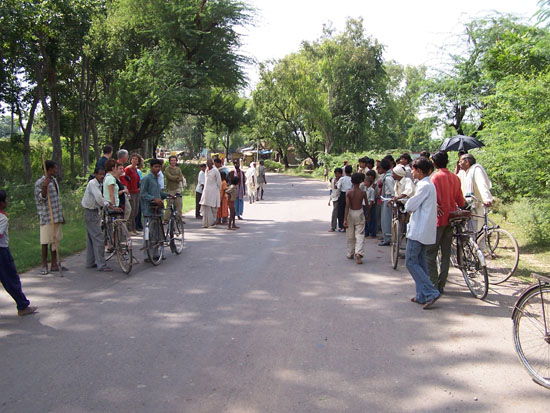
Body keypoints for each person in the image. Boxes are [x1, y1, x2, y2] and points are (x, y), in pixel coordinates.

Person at [426, 151, 465, 293]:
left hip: (438, 219)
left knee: (430, 253)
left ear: (434, 163)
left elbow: (431, 199)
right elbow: (460, 199)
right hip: (452, 217)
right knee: (446, 253)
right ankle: (442, 283)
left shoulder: (434, 178)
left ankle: (434, 283)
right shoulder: (455, 177)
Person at [404, 157, 440, 309]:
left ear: (419, 171)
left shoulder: (424, 185)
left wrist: (405, 204)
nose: (412, 172)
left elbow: (411, 205)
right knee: (421, 263)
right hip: (424, 230)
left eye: (413, 169)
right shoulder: (427, 185)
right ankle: (422, 295)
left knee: (410, 262)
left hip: (419, 230)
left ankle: (431, 292)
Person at [0, 190, 38, 316]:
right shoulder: (3, 218)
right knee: (11, 279)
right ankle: (22, 305)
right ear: (1, 203)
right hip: (2, 252)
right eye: (5, 200)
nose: (7, 202)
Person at [34, 160, 65, 275]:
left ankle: (54, 264)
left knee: (55, 241)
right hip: (46, 216)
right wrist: (44, 187)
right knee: (45, 241)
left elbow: (57, 199)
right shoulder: (40, 182)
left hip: (56, 215)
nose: (56, 170)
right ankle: (44, 265)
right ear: (49, 169)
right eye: (54, 168)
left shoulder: (54, 180)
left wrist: (61, 215)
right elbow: (40, 198)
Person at [81, 167, 114, 272]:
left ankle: (90, 262)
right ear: (95, 174)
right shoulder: (93, 183)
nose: (102, 176)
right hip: (90, 212)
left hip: (94, 211)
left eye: (103, 174)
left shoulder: (99, 184)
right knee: (99, 238)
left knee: (91, 238)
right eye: (100, 174)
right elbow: (99, 199)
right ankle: (101, 264)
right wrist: (108, 205)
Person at [140, 159, 170, 262]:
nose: (157, 169)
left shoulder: (156, 179)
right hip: (149, 209)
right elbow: (143, 194)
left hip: (157, 210)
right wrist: (153, 199)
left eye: (159, 167)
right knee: (149, 233)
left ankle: (156, 253)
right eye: (155, 167)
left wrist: (167, 195)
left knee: (157, 232)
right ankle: (147, 255)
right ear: (151, 167)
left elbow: (158, 193)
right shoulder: (147, 179)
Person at [457, 153, 493, 232]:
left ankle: (480, 243)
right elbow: (455, 180)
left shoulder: (476, 170)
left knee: (478, 229)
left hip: (477, 204)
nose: (459, 164)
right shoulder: (462, 172)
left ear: (466, 162)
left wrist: (486, 199)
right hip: (467, 205)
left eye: (460, 161)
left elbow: (482, 184)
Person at [344, 173, 369, 264]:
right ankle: (358, 252)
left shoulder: (348, 192)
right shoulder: (363, 193)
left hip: (350, 212)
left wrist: (345, 219)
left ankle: (350, 253)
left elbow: (347, 206)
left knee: (350, 234)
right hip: (360, 213)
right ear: (360, 182)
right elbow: (366, 205)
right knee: (360, 234)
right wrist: (368, 215)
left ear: (351, 181)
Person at [199, 158, 222, 228]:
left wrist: (217, 190)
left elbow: (219, 183)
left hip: (214, 191)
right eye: (207, 163)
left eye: (209, 163)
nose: (208, 165)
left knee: (213, 208)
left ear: (212, 163)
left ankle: (213, 223)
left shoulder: (215, 171)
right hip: (206, 192)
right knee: (206, 207)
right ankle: (206, 223)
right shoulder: (206, 170)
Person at [164, 155, 186, 222]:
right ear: (169, 161)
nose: (173, 162)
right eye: (172, 160)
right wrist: (176, 178)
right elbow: (169, 177)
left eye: (174, 160)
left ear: (176, 161)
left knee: (179, 204)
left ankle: (179, 219)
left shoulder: (178, 169)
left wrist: (177, 178)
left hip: (177, 188)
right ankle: (166, 219)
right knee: (169, 204)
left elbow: (181, 177)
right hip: (170, 189)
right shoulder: (167, 169)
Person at [378, 159, 395, 246]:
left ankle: (387, 238)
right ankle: (386, 237)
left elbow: (392, 191)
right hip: (386, 198)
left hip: (388, 198)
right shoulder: (387, 176)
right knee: (385, 218)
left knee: (386, 219)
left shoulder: (388, 178)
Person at [124, 153, 141, 234]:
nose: (134, 160)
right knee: (131, 210)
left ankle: (134, 228)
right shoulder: (128, 169)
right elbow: (125, 180)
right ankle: (129, 229)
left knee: (136, 211)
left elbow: (138, 180)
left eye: (136, 159)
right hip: (131, 191)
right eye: (133, 158)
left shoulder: (136, 169)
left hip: (137, 191)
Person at [337, 165, 353, 232]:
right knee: (349, 210)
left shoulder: (342, 179)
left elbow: (338, 187)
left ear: (345, 171)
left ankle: (342, 226)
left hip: (343, 194)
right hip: (350, 194)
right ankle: (349, 225)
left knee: (341, 210)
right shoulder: (352, 179)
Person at [328, 168, 342, 232]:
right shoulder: (333, 180)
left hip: (340, 197)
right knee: (335, 212)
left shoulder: (342, 180)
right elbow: (332, 190)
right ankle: (334, 226)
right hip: (334, 197)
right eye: (335, 173)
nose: (337, 175)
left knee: (338, 212)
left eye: (338, 174)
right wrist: (329, 199)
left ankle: (339, 226)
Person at [363, 174, 377, 238]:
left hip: (369, 206)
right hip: (364, 205)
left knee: (370, 220)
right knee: (365, 219)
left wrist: (369, 208)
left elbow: (371, 200)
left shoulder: (372, 190)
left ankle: (372, 233)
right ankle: (366, 233)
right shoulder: (365, 189)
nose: (364, 183)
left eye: (365, 182)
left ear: (369, 183)